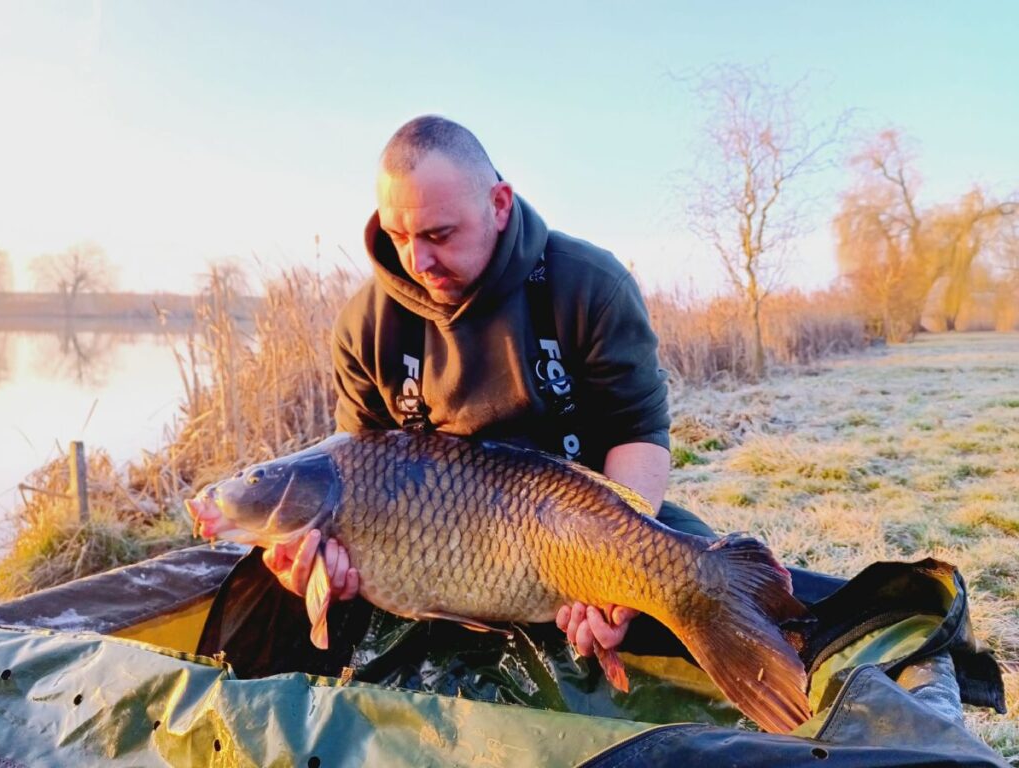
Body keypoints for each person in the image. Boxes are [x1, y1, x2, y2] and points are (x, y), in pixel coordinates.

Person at [263, 114, 714, 665]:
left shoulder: (589, 284)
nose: (416, 261)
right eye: (397, 235)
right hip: (436, 547)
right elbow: (357, 466)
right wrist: (319, 567)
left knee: (701, 579)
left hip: (581, 527)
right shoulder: (366, 324)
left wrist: (613, 576)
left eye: (439, 234)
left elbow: (637, 432)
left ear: (499, 204)